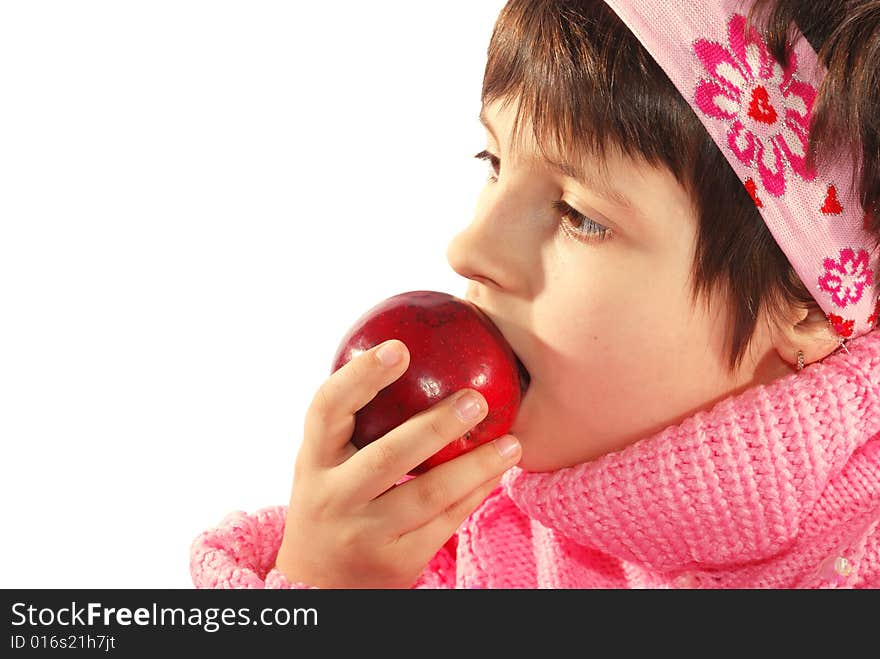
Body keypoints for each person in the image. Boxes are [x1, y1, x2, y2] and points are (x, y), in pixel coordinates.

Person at [190, 0, 880, 588]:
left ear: (809, 308)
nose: (470, 249)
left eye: (580, 215)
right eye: (494, 162)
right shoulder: (437, 536)